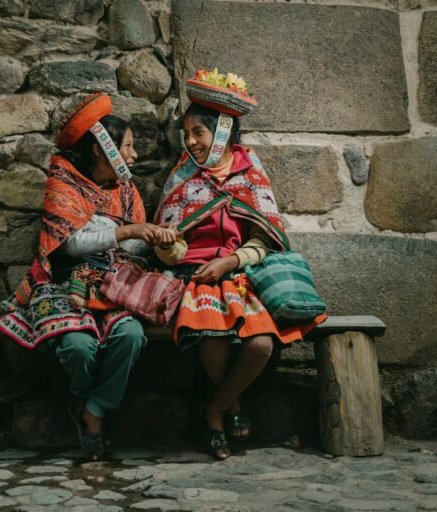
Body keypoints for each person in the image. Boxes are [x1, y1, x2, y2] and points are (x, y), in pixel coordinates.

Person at [154, 69, 326, 460]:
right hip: (193, 277)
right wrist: (168, 247)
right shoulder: (183, 175)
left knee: (260, 345)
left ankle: (217, 404)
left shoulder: (250, 172)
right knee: (212, 336)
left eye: (198, 133)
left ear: (222, 131)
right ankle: (225, 413)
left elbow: (266, 236)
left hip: (240, 274)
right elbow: (172, 241)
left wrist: (230, 260)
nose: (191, 142)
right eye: (187, 135)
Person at [0, 93, 175, 460]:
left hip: (115, 286)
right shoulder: (63, 181)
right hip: (65, 284)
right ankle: (85, 398)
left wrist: (156, 242)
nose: (134, 156)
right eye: (127, 147)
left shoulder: (127, 192)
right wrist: (127, 232)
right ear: (101, 149)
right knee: (77, 347)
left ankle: (92, 410)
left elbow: (135, 249)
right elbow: (67, 243)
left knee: (130, 335)